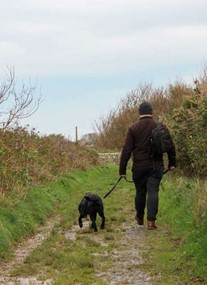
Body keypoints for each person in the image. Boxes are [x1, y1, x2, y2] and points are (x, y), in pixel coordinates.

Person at [119, 101, 176, 230]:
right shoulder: (160, 126)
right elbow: (170, 146)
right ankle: (151, 221)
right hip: (156, 166)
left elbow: (127, 150)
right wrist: (172, 163)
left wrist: (122, 170)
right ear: (151, 112)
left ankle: (139, 217)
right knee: (153, 191)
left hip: (139, 167)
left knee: (140, 192)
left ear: (139, 113)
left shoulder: (133, 128)